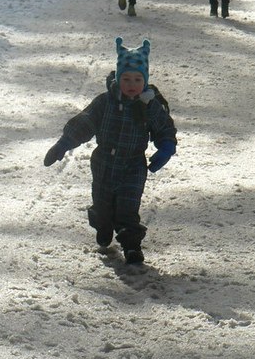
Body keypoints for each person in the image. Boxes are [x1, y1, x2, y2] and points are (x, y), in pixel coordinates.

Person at [43, 37, 176, 265]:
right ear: (117, 78)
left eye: (137, 79)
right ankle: (103, 224)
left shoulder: (149, 106)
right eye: (125, 78)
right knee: (103, 205)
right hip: (104, 163)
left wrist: (166, 147)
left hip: (133, 166)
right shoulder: (105, 103)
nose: (131, 84)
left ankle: (131, 246)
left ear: (145, 80)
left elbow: (164, 127)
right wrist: (63, 144)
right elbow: (85, 123)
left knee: (128, 207)